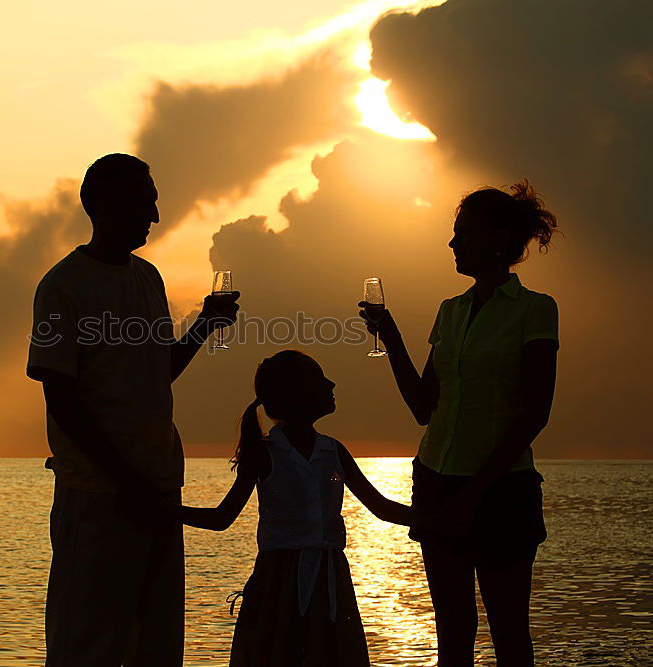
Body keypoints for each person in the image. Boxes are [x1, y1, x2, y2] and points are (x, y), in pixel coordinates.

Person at [26, 153, 240, 667]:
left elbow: (154, 372)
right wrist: (127, 481)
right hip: (99, 495)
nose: (156, 216)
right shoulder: (61, 286)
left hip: (157, 490)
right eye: (147, 202)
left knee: (157, 644)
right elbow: (62, 398)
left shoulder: (148, 278)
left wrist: (204, 326)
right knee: (89, 643)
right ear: (104, 203)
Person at [360, 181, 559, 667]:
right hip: (436, 482)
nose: (453, 244)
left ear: (497, 238)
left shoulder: (536, 309)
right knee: (452, 631)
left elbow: (535, 412)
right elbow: (423, 406)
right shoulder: (450, 312)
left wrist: (473, 496)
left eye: (462, 233)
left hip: (502, 491)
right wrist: (389, 337)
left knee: (509, 632)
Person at [179, 349, 412, 667]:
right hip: (279, 582)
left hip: (330, 580)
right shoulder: (266, 454)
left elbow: (382, 508)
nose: (331, 384)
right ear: (296, 394)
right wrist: (166, 510)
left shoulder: (333, 450)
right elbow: (222, 517)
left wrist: (434, 518)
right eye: (319, 380)